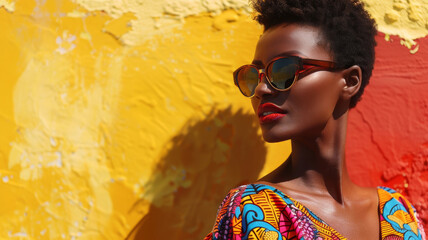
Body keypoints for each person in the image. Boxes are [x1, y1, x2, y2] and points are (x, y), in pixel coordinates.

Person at [204, 0, 426, 239]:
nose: (261, 89)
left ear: (350, 81)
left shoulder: (400, 213)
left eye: (284, 70)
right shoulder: (251, 213)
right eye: (254, 76)